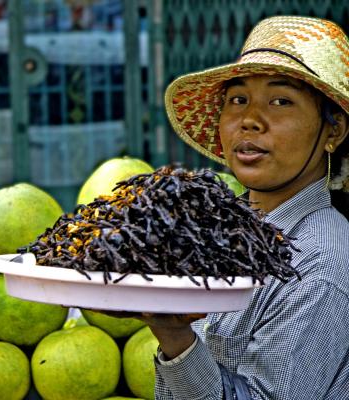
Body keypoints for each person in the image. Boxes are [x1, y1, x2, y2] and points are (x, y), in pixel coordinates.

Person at [139, 15, 349, 400]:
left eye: (281, 101)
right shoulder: (221, 236)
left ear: (332, 131)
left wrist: (174, 335)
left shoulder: (322, 267)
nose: (250, 120)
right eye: (237, 100)